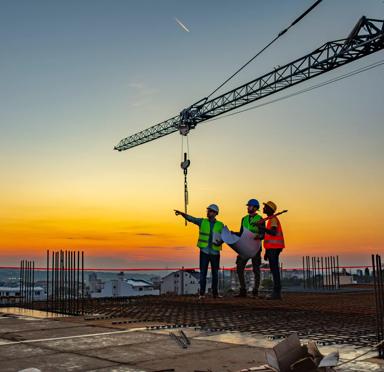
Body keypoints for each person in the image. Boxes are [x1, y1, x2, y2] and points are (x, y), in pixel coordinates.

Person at [174, 204, 224, 299]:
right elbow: (191, 219)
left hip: (215, 253)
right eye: (208, 210)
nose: (208, 212)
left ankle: (215, 294)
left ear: (215, 213)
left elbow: (225, 237)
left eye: (210, 211)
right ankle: (202, 293)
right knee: (203, 273)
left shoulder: (220, 225)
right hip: (204, 251)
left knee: (215, 274)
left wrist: (221, 242)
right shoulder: (202, 221)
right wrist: (182, 214)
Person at [235, 199, 263, 297]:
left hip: (255, 248)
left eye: (250, 206)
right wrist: (232, 234)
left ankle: (255, 291)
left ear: (255, 208)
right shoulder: (244, 219)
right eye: (248, 206)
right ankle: (243, 290)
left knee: (256, 269)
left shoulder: (260, 219)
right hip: (245, 247)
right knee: (239, 267)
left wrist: (259, 236)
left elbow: (263, 234)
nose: (248, 207)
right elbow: (241, 232)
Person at [259, 201, 285, 300]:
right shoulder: (270, 220)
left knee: (275, 270)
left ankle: (276, 292)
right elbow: (269, 237)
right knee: (274, 270)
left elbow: (273, 232)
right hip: (272, 248)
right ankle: (276, 292)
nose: (263, 208)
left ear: (270, 209)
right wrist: (267, 251)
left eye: (265, 207)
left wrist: (263, 228)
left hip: (274, 248)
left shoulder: (273, 219)